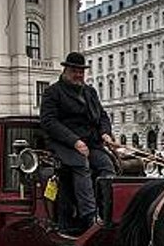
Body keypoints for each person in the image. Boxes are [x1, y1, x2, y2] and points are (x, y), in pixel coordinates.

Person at [40, 51, 116, 234]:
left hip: (91, 143)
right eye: (75, 71)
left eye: (81, 71)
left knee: (107, 165)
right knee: (81, 165)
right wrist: (74, 141)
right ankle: (89, 216)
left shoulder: (90, 92)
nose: (79, 75)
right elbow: (49, 122)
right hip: (64, 144)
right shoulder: (53, 92)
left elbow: (103, 116)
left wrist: (105, 133)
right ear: (66, 70)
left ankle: (108, 211)